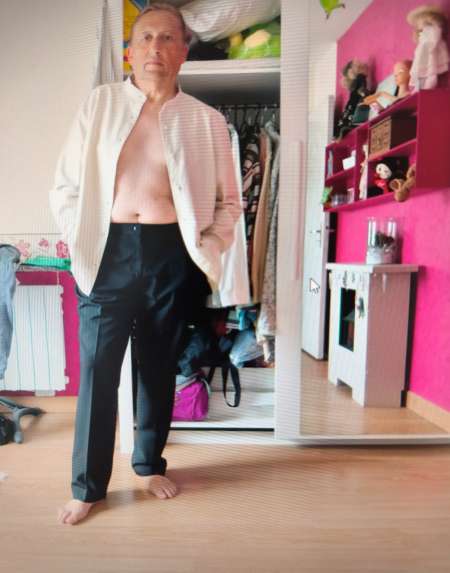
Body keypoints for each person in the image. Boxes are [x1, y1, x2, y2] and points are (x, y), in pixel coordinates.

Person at [49, 3, 242, 525]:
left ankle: (149, 464)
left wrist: (206, 247)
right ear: (130, 51)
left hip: (171, 255)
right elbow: (65, 187)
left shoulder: (207, 121)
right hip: (106, 252)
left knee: (156, 367)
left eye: (167, 38)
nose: (156, 47)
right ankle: (87, 486)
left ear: (184, 51)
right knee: (97, 369)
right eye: (146, 38)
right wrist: (79, 239)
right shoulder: (101, 105)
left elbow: (229, 203)